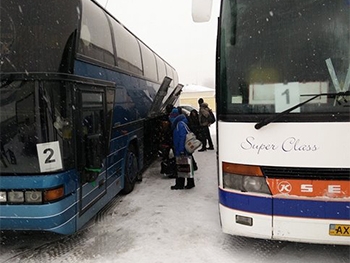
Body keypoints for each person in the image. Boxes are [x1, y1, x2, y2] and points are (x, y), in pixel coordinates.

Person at [169, 108, 195, 190]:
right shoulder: (182, 122)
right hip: (183, 149)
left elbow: (182, 137)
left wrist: (180, 150)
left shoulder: (179, 124)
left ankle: (179, 184)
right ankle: (190, 183)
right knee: (186, 166)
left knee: (181, 167)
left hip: (182, 149)